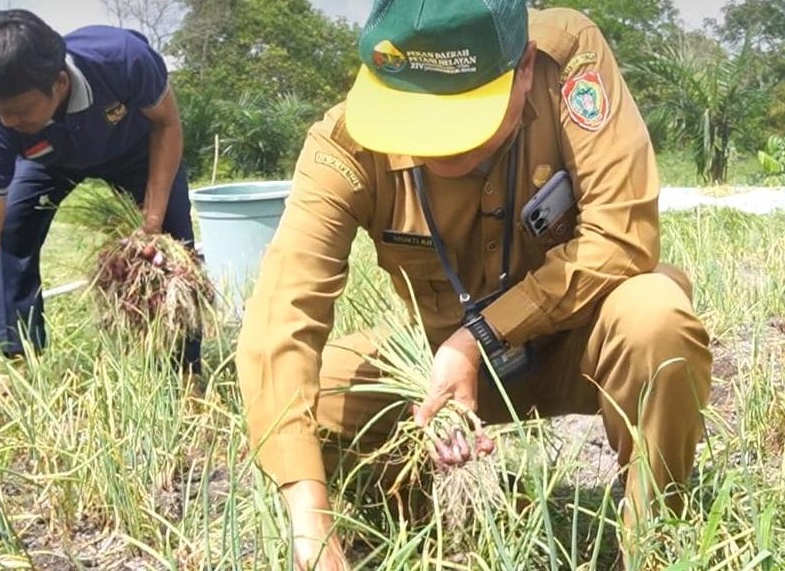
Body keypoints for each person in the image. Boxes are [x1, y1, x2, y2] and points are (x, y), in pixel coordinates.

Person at [235, 0, 712, 568]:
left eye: (464, 119)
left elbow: (624, 234)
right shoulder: (345, 145)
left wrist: (478, 338)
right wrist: (310, 525)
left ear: (524, 66)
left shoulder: (568, 61)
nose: (441, 147)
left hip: (579, 343)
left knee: (655, 317)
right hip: (439, 376)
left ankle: (655, 536)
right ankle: (444, 507)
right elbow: (281, 318)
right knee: (306, 401)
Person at [0, 9, 201, 379]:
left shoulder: (124, 59)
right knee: (11, 232)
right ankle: (16, 360)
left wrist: (151, 221)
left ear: (60, 82)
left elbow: (167, 123)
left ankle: (183, 368)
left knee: (173, 240)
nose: (6, 123)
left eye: (17, 112)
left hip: (136, 149)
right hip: (50, 159)